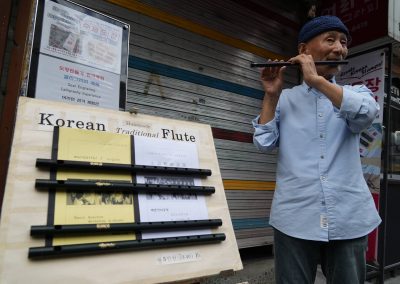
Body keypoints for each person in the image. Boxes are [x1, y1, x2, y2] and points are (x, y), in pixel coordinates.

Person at [252, 15, 381, 284]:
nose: (339, 48)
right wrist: (272, 94)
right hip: (295, 217)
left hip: (348, 216)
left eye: (344, 42)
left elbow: (366, 114)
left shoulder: (357, 93)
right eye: (330, 39)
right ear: (303, 50)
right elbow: (263, 142)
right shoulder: (286, 99)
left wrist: (317, 81)